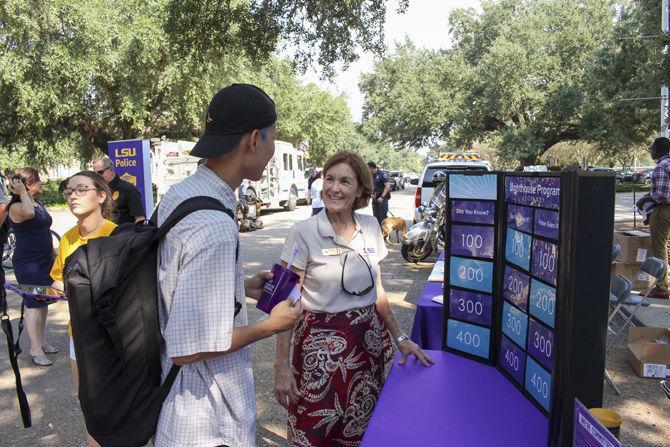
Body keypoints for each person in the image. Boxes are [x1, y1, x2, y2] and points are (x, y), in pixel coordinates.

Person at [155, 83, 301, 447]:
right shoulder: (214, 225)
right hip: (205, 420)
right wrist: (271, 326)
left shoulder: (179, 195)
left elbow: (173, 284)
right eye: (272, 141)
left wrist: (239, 286)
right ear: (254, 139)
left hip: (176, 405)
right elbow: (188, 347)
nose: (270, 153)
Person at [274, 151, 433, 447]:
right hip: (319, 356)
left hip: (366, 349)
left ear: (360, 189)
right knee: (313, 431)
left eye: (345, 181)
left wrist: (400, 338)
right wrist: (281, 367)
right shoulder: (302, 232)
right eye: (329, 179)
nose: (334, 188)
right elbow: (287, 301)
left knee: (360, 429)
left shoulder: (371, 227)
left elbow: (378, 290)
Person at [50, 171, 116, 447]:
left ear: (101, 195)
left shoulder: (117, 235)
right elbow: (57, 280)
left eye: (81, 189)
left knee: (115, 405)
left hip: (111, 336)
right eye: (68, 191)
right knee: (88, 403)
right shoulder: (66, 238)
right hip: (77, 333)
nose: (72, 195)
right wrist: (51, 291)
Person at [6, 168, 58, 366]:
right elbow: (28, 213)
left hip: (45, 260)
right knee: (34, 306)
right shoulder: (17, 206)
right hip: (29, 264)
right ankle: (35, 349)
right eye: (37, 180)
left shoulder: (38, 203)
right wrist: (21, 192)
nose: (41, 183)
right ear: (28, 184)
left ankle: (42, 341)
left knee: (43, 303)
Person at [637, 137, 670, 299]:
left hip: (663, 211)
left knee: (659, 248)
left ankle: (662, 286)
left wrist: (645, 199)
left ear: (658, 149)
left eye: (652, 148)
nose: (650, 151)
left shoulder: (661, 167)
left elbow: (662, 195)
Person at [91, 155, 146, 224]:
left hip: (122, 233)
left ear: (111, 170)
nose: (98, 176)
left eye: (100, 172)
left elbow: (140, 219)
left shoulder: (128, 189)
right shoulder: (96, 191)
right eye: (95, 174)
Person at [367, 161, 391, 225]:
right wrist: (371, 194)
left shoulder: (382, 174)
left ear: (372, 168)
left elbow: (387, 186)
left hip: (382, 198)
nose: (367, 170)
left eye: (368, 168)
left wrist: (382, 197)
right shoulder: (371, 175)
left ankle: (386, 233)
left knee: (383, 216)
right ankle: (378, 232)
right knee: (376, 217)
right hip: (375, 199)